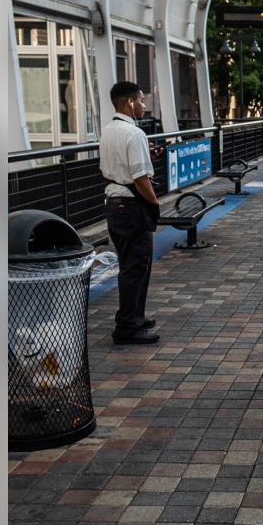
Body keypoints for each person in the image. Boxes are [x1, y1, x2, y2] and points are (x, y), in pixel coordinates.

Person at [99, 81, 161, 345]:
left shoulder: (109, 130)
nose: (144, 106)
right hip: (132, 207)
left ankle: (135, 315)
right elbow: (139, 178)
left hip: (114, 205)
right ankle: (127, 327)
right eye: (142, 100)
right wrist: (155, 203)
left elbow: (122, 167)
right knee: (136, 267)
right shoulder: (134, 134)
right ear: (129, 102)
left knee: (130, 265)